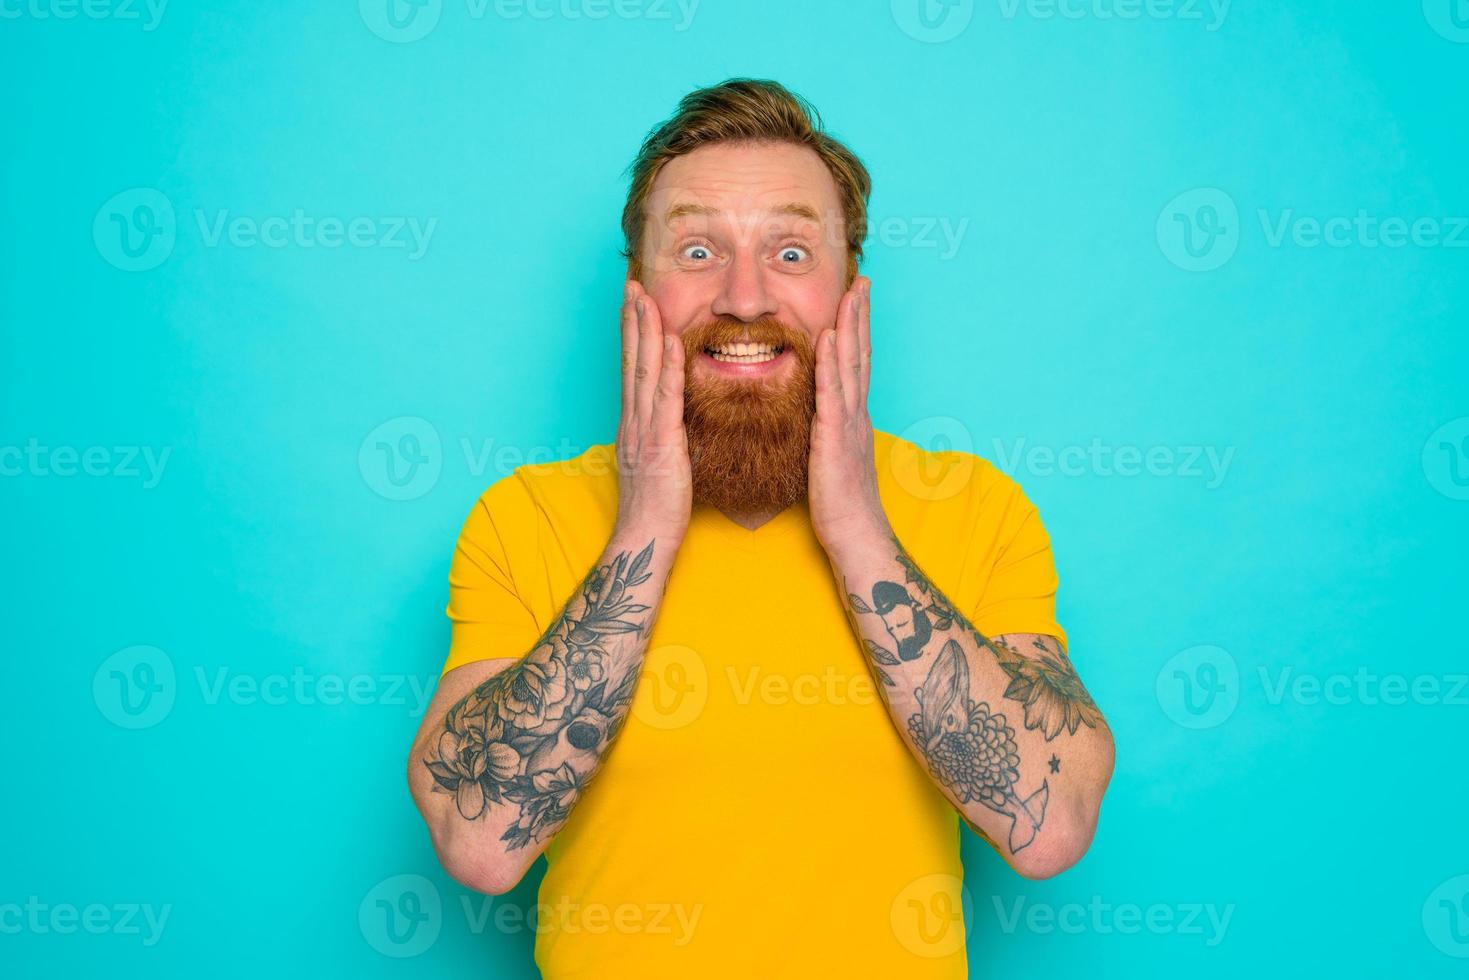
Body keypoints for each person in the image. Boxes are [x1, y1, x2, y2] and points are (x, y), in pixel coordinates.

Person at [407, 77, 1115, 979]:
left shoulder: (975, 508)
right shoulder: (527, 517)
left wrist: (856, 524)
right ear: (637, 291)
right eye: (697, 249)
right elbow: (479, 842)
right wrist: (644, 526)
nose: (744, 297)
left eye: (789, 251)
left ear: (849, 293)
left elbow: (1048, 824)